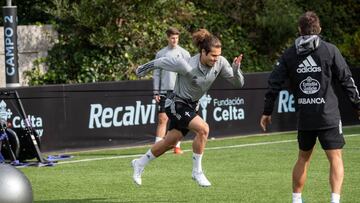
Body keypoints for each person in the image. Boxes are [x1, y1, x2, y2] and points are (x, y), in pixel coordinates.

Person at [260, 11, 360, 203]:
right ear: (319, 29)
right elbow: (347, 79)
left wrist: (266, 110)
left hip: (306, 117)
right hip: (328, 116)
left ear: (299, 30)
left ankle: (297, 200)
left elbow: (274, 82)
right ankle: (335, 200)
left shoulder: (290, 53)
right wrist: (357, 104)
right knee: (336, 158)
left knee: (303, 158)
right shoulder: (330, 50)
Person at [132, 28, 245, 187]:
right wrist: (141, 69)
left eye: (218, 55)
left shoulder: (220, 62)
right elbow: (161, 62)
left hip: (192, 105)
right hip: (176, 104)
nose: (216, 59)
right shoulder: (186, 64)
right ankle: (197, 172)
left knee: (169, 142)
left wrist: (235, 69)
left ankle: (139, 163)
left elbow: (238, 83)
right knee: (203, 129)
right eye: (213, 55)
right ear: (203, 52)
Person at [153, 27, 191, 154]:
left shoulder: (185, 54)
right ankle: (157, 147)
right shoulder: (161, 54)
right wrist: (156, 91)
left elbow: (189, 74)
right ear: (167, 38)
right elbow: (156, 74)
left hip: (179, 91)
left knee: (178, 119)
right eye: (172, 38)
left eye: (177, 38)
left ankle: (177, 146)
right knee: (162, 118)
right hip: (164, 91)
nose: (175, 40)